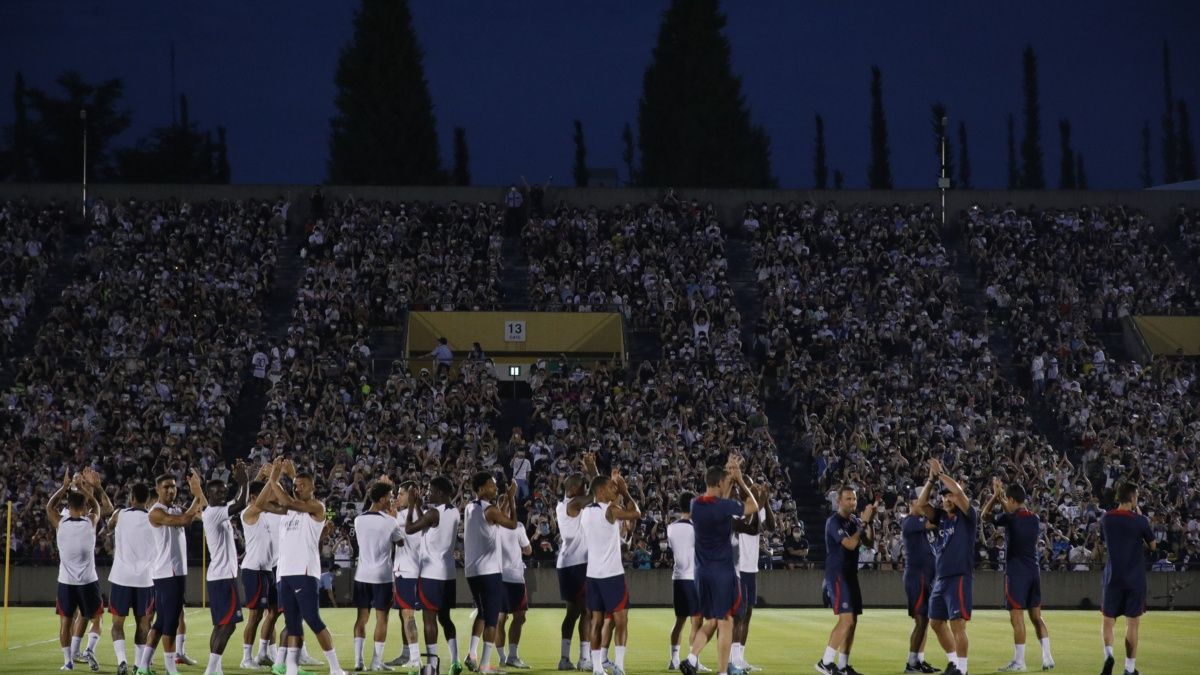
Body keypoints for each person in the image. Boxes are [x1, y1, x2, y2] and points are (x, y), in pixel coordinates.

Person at [258, 458, 348, 675]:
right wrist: (274, 480)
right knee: (292, 622)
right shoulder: (288, 509)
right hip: (284, 572)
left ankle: (335, 669)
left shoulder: (317, 507)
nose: (298, 488)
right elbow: (260, 505)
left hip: (305, 571)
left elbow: (290, 502)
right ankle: (290, 669)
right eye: (296, 486)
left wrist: (276, 477)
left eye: (303, 486)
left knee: (313, 618)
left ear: (313, 488)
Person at [678, 455, 759, 675]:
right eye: (724, 482)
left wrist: (728, 475)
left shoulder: (696, 504)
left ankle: (692, 657)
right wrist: (740, 481)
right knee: (726, 623)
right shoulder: (723, 506)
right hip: (722, 572)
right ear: (718, 483)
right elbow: (753, 505)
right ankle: (723, 672)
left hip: (701, 572)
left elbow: (719, 498)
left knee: (712, 620)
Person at [981, 477, 1055, 672]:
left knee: (1017, 618)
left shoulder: (1010, 518)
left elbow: (984, 516)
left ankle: (1020, 662)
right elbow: (1013, 512)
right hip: (1034, 572)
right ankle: (1047, 658)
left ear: (1012, 500)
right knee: (1037, 617)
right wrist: (1002, 497)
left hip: (1016, 573)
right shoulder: (1034, 518)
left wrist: (996, 496)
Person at [137, 470, 205, 675]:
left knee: (161, 622)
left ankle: (142, 666)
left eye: (173, 486)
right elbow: (185, 519)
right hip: (167, 573)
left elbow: (190, 516)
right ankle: (170, 668)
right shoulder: (155, 512)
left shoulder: (175, 509)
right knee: (172, 621)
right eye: (166, 486)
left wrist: (198, 497)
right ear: (157, 490)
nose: (170, 489)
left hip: (175, 572)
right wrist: (197, 495)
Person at [916, 458, 976, 675]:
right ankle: (953, 663)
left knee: (957, 624)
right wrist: (931, 480)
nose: (947, 499)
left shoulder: (968, 517)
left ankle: (963, 669)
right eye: (944, 496)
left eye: (949, 495)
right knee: (935, 623)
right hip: (941, 579)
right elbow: (921, 504)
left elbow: (960, 494)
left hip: (959, 577)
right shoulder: (941, 518)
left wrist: (941, 473)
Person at [580, 469, 641, 675]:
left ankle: (598, 668)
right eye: (610, 487)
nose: (613, 489)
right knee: (621, 620)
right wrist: (625, 491)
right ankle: (620, 667)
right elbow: (636, 513)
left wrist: (613, 485)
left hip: (593, 575)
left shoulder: (587, 511)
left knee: (596, 621)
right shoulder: (611, 511)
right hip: (612, 575)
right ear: (601, 490)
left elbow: (601, 491)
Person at [815, 485, 876, 675]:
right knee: (846, 620)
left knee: (853, 621)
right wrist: (863, 524)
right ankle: (825, 662)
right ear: (839, 501)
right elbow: (849, 544)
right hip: (838, 575)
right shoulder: (833, 521)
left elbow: (869, 543)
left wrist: (869, 522)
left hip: (850, 575)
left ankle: (842, 665)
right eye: (848, 499)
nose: (852, 502)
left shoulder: (855, 521)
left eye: (854, 499)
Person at [47, 468, 103, 672]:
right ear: (85, 504)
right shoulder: (90, 522)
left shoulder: (60, 523)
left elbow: (49, 506)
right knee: (96, 617)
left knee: (65, 622)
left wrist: (64, 487)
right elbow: (97, 507)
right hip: (88, 581)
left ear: (68, 505)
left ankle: (68, 661)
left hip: (66, 582)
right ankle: (87, 650)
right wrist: (86, 490)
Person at [463, 473, 519, 674]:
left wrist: (502, 504)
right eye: (491, 486)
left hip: (473, 571)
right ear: (480, 489)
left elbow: (493, 519)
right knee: (492, 619)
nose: (495, 489)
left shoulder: (471, 507)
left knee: (482, 612)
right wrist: (511, 499)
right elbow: (512, 524)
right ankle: (485, 666)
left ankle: (471, 654)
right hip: (489, 571)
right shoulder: (490, 510)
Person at [1098, 482, 1156, 675]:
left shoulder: (1106, 519)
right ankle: (1129, 669)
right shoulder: (1140, 521)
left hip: (1112, 576)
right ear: (1132, 498)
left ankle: (1109, 656)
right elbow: (1153, 546)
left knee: (1108, 620)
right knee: (1132, 624)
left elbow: (1105, 541)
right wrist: (1138, 515)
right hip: (1135, 577)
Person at [406, 476, 462, 674]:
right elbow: (431, 525)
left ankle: (431, 666)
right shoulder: (454, 511)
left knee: (429, 619)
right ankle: (455, 661)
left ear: (439, 491)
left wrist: (412, 506)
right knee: (445, 618)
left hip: (431, 574)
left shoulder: (433, 513)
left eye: (430, 490)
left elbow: (410, 529)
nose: (428, 493)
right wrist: (422, 509)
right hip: (448, 573)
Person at [199, 461, 252, 675]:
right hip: (222, 576)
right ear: (209, 496)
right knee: (228, 625)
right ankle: (211, 670)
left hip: (219, 575)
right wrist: (245, 482)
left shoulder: (215, 511)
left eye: (224, 492)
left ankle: (216, 668)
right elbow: (241, 504)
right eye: (218, 493)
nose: (222, 496)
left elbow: (237, 500)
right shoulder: (214, 512)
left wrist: (242, 485)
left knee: (220, 625)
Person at [352, 479, 404, 672]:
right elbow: (400, 543)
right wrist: (395, 518)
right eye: (390, 498)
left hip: (362, 575)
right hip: (382, 577)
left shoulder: (358, 520)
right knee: (382, 619)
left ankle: (358, 661)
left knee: (361, 618)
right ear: (382, 499)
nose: (391, 501)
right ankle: (376, 661)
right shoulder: (391, 522)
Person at [240, 471, 286, 669]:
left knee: (273, 612)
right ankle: (246, 658)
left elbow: (283, 507)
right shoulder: (248, 512)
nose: (269, 499)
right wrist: (273, 477)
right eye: (266, 496)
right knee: (255, 616)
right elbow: (259, 501)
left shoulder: (264, 514)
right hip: (254, 569)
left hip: (267, 570)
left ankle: (263, 653)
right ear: (253, 497)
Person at [558, 452, 600, 671]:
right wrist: (592, 469)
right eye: (582, 487)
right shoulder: (574, 503)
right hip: (578, 564)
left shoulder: (567, 504)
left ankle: (564, 659)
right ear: (573, 489)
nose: (586, 490)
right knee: (587, 612)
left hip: (567, 564)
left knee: (572, 613)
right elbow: (599, 494)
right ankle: (584, 659)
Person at [108, 482, 155, 675]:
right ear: (147, 500)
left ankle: (122, 662)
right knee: (143, 624)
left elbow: (109, 523)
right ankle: (138, 665)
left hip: (121, 577)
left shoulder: (120, 515)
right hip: (145, 579)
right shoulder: (154, 518)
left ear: (132, 497)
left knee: (117, 625)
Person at [733, 483, 773, 672]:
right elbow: (753, 528)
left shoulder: (758, 508)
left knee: (747, 614)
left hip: (752, 568)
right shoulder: (737, 510)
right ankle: (733, 659)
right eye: (750, 485)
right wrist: (760, 502)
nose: (754, 487)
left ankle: (740, 657)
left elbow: (770, 527)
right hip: (738, 568)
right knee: (738, 615)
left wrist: (767, 503)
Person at [386, 481, 424, 670]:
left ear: (411, 495)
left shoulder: (404, 516)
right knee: (404, 615)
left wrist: (385, 492)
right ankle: (407, 653)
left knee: (408, 616)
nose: (397, 497)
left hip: (406, 571)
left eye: (401, 494)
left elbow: (386, 517)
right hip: (408, 570)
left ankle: (415, 659)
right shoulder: (416, 514)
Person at [900, 500, 939, 674]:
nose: (924, 505)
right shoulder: (910, 521)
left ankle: (919, 660)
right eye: (921, 501)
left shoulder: (918, 523)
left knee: (924, 620)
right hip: (917, 577)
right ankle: (911, 662)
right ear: (912, 503)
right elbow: (935, 521)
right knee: (921, 620)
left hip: (924, 577)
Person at [666, 492, 700, 671]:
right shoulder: (697, 528)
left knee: (679, 620)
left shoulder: (671, 528)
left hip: (678, 578)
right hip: (693, 578)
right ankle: (693, 660)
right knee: (697, 621)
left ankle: (674, 659)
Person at [496, 508, 533, 669]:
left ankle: (504, 657)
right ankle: (511, 656)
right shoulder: (517, 526)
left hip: (498, 578)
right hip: (514, 578)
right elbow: (528, 550)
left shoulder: (493, 525)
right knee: (518, 618)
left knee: (501, 620)